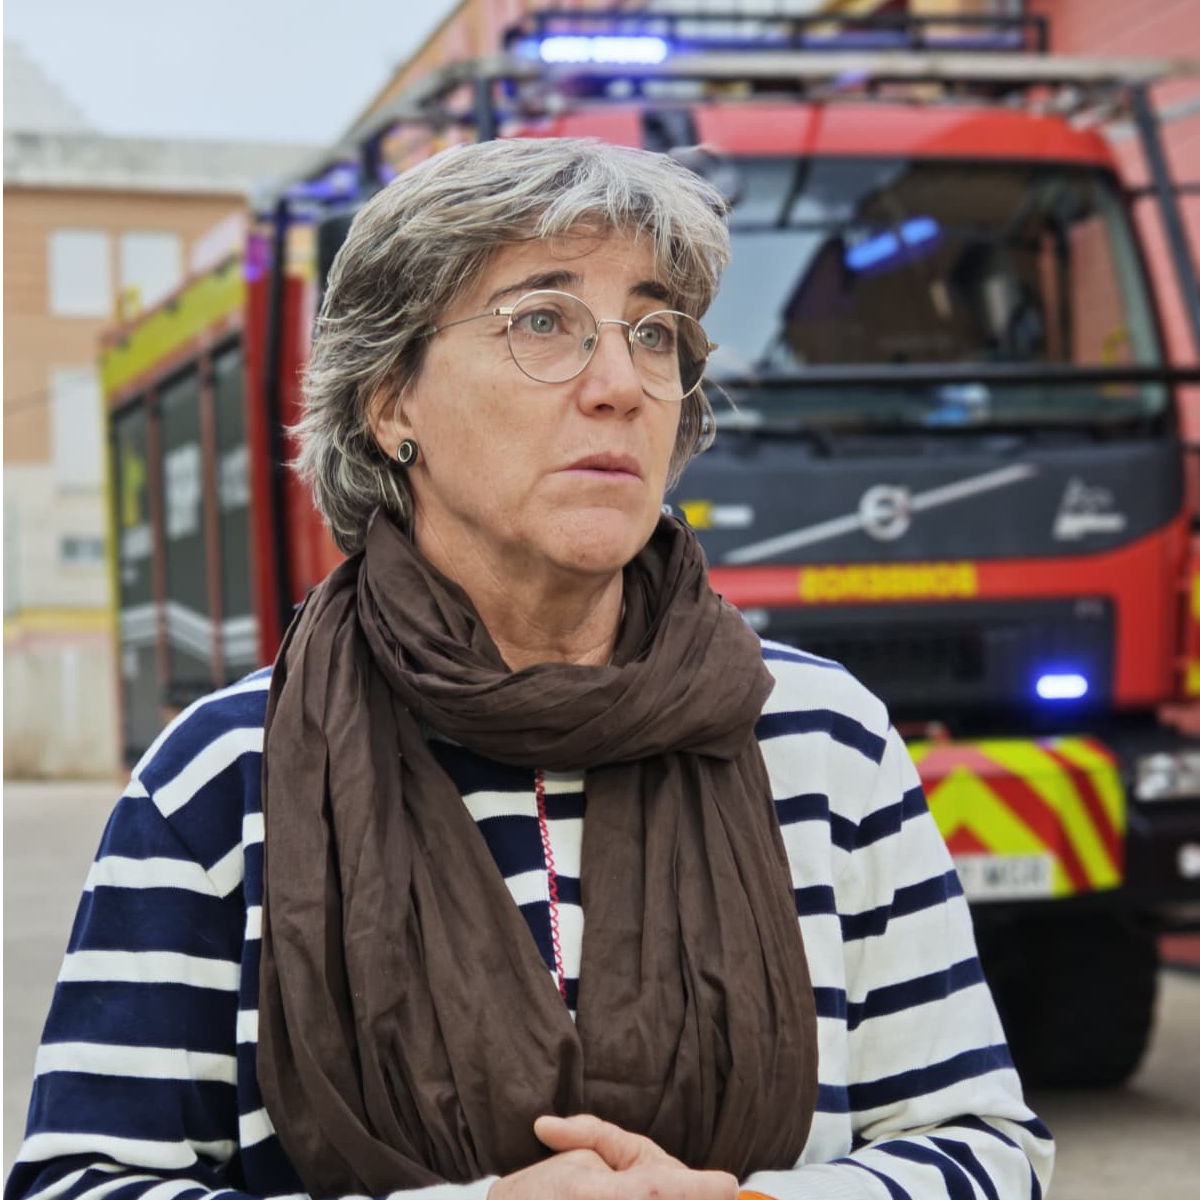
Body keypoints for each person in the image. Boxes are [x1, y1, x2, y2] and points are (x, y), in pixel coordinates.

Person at [5, 137, 1053, 1200]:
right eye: (542, 321)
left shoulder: (822, 739)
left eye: (654, 333)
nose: (619, 385)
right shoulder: (229, 774)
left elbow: (983, 1146)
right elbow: (80, 1182)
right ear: (389, 401)